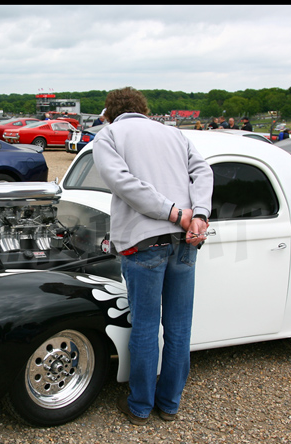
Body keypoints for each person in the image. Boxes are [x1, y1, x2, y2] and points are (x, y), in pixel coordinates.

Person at [91, 87, 213, 426]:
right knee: (178, 327)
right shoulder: (174, 134)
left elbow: (123, 183)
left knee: (145, 328)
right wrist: (198, 214)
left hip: (145, 242)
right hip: (186, 240)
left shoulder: (110, 135)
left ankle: (141, 407)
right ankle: (170, 404)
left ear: (110, 112)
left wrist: (172, 212)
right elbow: (204, 172)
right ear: (143, 108)